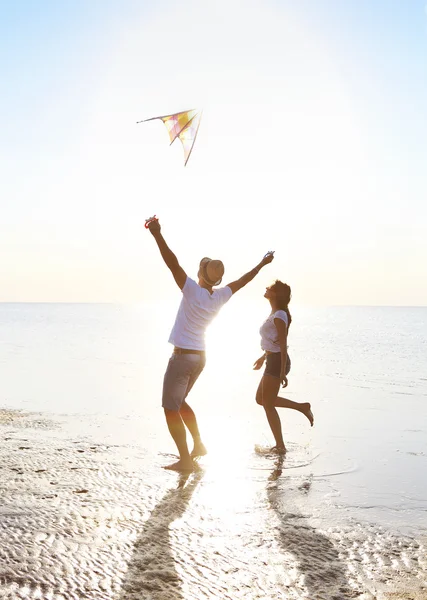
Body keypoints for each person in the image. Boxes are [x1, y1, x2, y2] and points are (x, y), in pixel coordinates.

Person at [147, 217, 274, 471]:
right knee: (180, 401)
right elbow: (244, 279)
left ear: (200, 274)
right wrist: (262, 263)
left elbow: (171, 262)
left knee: (170, 408)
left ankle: (185, 460)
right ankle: (198, 445)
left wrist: (156, 233)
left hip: (182, 356)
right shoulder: (221, 296)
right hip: (200, 357)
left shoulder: (191, 290)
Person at [253, 280, 314, 453]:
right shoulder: (275, 313)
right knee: (261, 400)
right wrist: (263, 356)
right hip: (272, 359)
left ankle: (280, 446)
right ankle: (301, 407)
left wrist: (282, 373)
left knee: (267, 403)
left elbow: (283, 342)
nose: (266, 288)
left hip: (278, 361)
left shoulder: (280, 315)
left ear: (276, 294)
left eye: (270, 288)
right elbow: (274, 342)